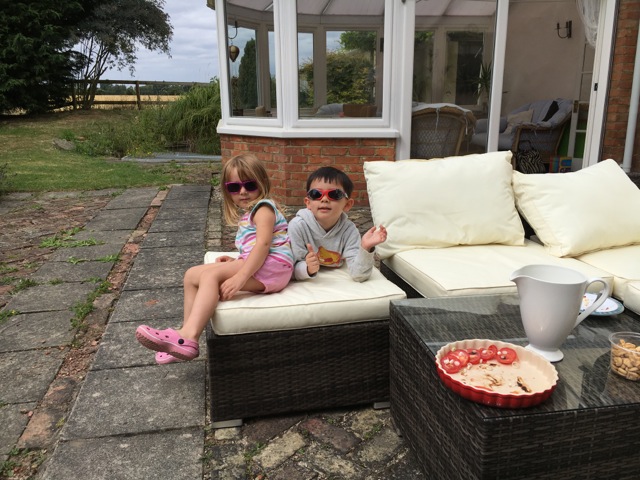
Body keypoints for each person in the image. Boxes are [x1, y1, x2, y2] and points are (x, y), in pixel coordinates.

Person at [136, 154, 293, 364]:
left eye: (249, 185)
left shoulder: (264, 208)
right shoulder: (250, 213)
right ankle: (185, 335)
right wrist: (236, 261)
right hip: (267, 265)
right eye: (234, 187)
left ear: (262, 183)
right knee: (191, 275)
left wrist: (239, 277)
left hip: (273, 267)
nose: (243, 191)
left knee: (210, 276)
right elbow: (257, 247)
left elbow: (264, 246)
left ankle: (188, 337)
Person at [288, 166, 387, 282]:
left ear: (347, 205)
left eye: (334, 194)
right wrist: (306, 269)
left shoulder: (349, 230)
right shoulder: (298, 226)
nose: (324, 199)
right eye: (316, 194)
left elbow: (359, 274)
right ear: (308, 203)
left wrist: (365, 248)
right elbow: (289, 268)